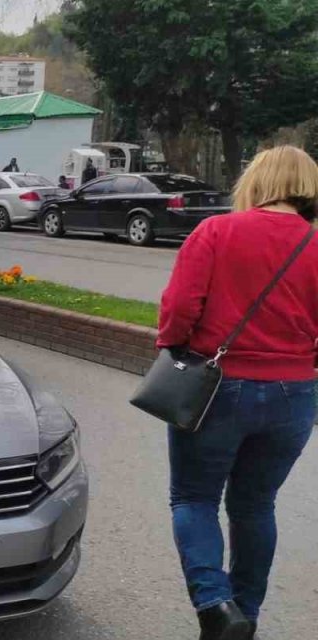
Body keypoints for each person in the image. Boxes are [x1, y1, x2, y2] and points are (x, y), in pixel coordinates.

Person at [157, 145, 318, 640]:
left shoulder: (217, 231)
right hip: (295, 393)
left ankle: (216, 606)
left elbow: (181, 307)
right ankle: (245, 614)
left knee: (194, 497)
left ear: (257, 181)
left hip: (217, 387)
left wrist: (174, 345)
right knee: (256, 505)